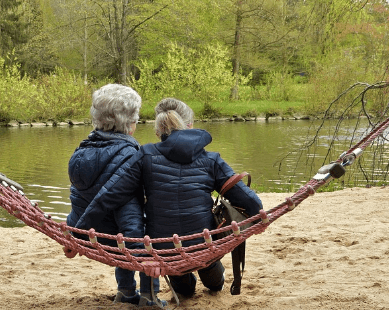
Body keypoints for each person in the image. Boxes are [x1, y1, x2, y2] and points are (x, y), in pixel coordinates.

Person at [76, 98, 264, 297]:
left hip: (165, 251)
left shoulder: (144, 155)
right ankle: (212, 276)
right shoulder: (212, 160)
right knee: (212, 275)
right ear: (190, 125)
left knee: (184, 290)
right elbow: (250, 201)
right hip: (204, 244)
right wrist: (259, 218)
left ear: (158, 131)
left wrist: (77, 234)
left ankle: (187, 280)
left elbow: (109, 195)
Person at [66, 83, 166, 307]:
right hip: (118, 237)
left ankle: (125, 292)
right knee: (147, 231)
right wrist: (144, 259)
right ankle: (149, 296)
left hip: (91, 234)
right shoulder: (132, 156)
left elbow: (80, 198)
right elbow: (130, 219)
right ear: (130, 124)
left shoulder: (81, 151)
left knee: (123, 232)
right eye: (136, 119)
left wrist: (75, 233)